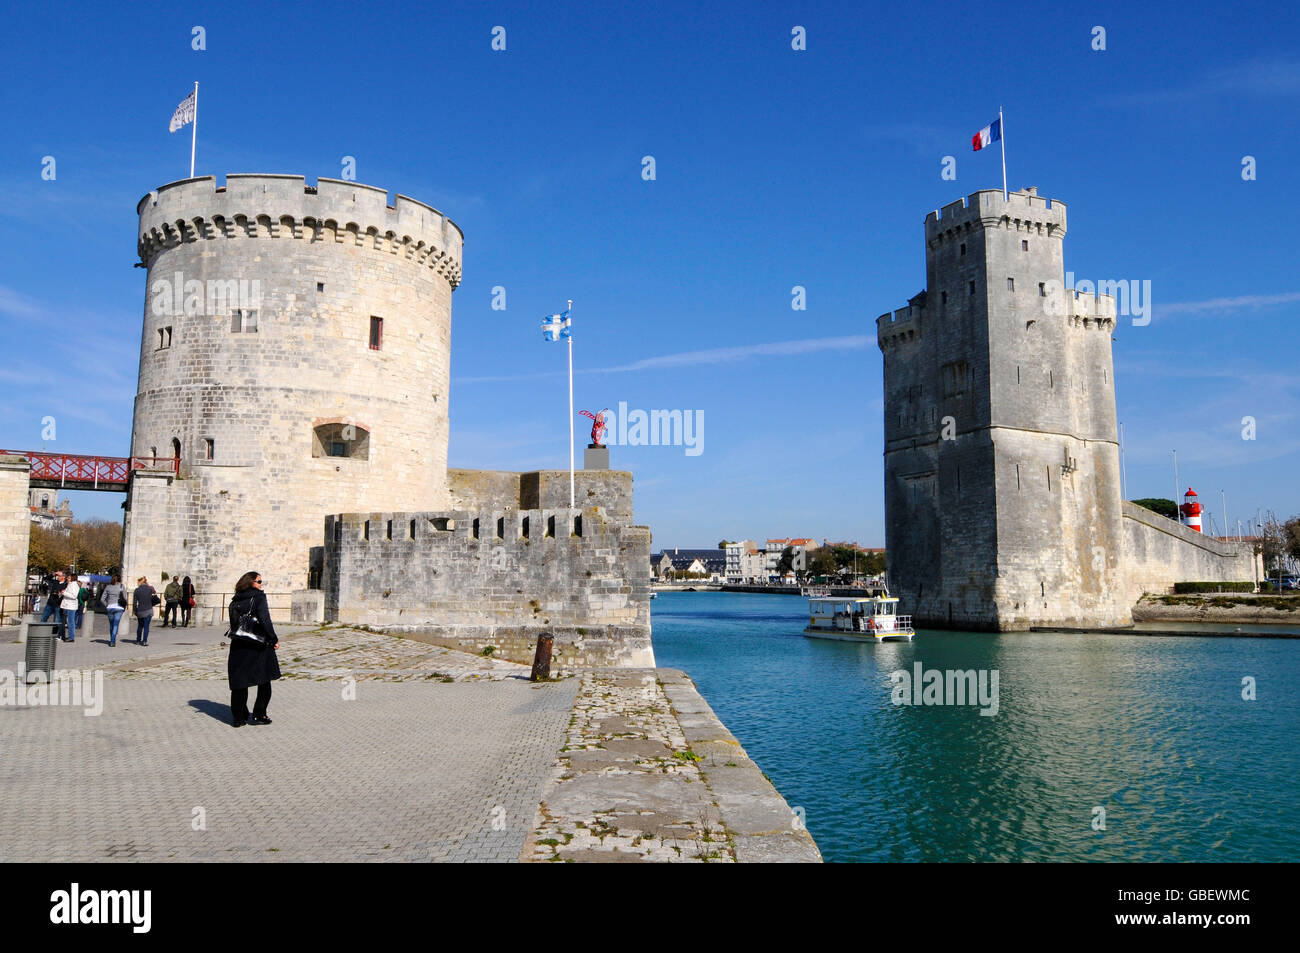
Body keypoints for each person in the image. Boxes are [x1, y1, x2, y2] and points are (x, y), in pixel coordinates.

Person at [227, 571, 280, 728]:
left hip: (239, 645)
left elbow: (234, 624)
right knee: (264, 680)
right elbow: (265, 620)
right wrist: (273, 639)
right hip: (258, 644)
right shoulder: (258, 598)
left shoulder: (234, 600)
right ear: (250, 583)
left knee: (239, 682)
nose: (261, 584)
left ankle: (239, 717)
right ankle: (259, 714)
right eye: (259, 581)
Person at [100, 575, 127, 647]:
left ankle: (112, 639)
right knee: (116, 625)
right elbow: (125, 598)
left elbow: (102, 599)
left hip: (110, 608)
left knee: (111, 625)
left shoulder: (108, 587)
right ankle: (112, 641)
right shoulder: (121, 586)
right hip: (119, 608)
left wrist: (107, 605)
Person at [132, 576, 158, 646]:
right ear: (146, 582)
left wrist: (134, 611)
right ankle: (144, 641)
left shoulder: (136, 590)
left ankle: (138, 640)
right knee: (146, 627)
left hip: (140, 611)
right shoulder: (149, 589)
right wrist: (149, 585)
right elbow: (154, 593)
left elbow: (134, 602)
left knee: (140, 626)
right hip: (149, 610)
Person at [59, 572, 81, 642]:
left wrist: (64, 593)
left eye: (69, 578)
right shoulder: (70, 584)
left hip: (71, 606)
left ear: (72, 578)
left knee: (70, 622)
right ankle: (64, 635)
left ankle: (71, 637)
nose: (67, 579)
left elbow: (74, 596)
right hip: (67, 605)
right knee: (66, 622)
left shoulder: (74, 585)